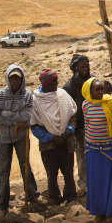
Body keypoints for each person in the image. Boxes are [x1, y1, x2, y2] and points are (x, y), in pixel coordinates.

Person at [0, 64, 39, 219]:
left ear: (22, 79)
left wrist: (7, 114)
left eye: (18, 78)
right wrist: (15, 119)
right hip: (4, 138)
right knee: (3, 171)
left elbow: (27, 116)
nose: (15, 81)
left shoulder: (27, 95)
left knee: (25, 165)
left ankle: (32, 196)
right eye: (12, 78)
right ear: (8, 79)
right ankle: (1, 205)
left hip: (21, 137)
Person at [30, 69, 77, 205]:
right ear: (46, 84)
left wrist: (68, 130)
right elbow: (33, 125)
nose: (57, 83)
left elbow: (73, 114)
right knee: (51, 173)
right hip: (48, 143)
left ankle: (71, 196)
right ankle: (54, 197)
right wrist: (49, 137)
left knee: (68, 171)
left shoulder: (62, 94)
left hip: (66, 139)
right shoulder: (35, 101)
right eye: (54, 81)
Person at [81, 79, 112, 220]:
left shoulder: (110, 103)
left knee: (109, 180)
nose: (100, 92)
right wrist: (87, 146)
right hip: (92, 149)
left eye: (101, 89)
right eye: (97, 90)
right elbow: (86, 124)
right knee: (95, 181)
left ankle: (110, 210)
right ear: (89, 91)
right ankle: (98, 211)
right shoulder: (85, 105)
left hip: (108, 148)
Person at [63, 54, 91, 195]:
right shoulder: (69, 86)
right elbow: (69, 109)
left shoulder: (93, 82)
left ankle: (95, 182)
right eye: (82, 66)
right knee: (81, 156)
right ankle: (84, 184)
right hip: (79, 127)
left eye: (87, 65)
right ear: (75, 68)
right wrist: (75, 127)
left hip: (95, 126)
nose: (86, 68)